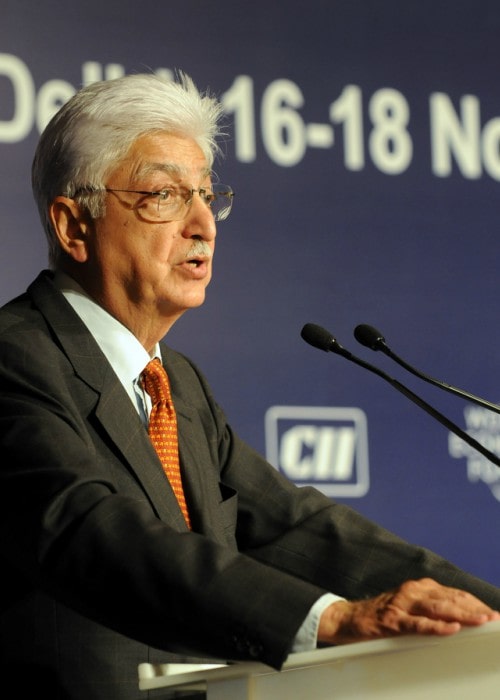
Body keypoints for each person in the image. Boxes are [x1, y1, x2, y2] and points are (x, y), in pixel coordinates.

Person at [0, 72, 498, 700]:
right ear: (74, 226)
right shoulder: (16, 359)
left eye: (207, 195)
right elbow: (92, 531)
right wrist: (328, 620)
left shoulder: (177, 383)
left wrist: (486, 614)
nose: (203, 223)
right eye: (164, 195)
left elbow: (293, 528)